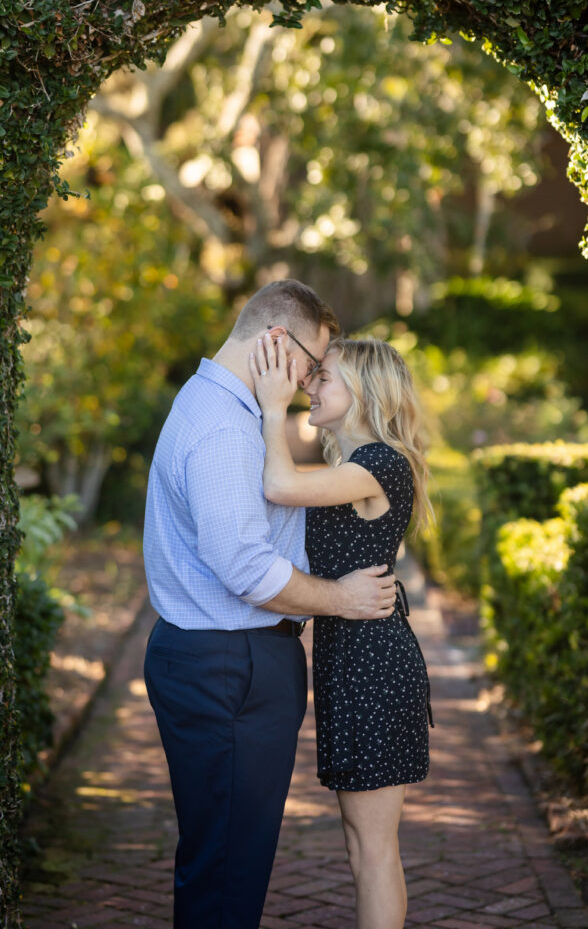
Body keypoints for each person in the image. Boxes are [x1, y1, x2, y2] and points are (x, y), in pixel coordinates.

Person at [142, 280, 399, 929]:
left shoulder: (214, 404)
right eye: (313, 366)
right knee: (228, 870)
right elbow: (246, 570)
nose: (313, 382)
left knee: (223, 860)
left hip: (223, 660)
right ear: (275, 344)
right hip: (232, 665)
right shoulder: (227, 430)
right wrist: (338, 598)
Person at [249, 333, 434, 929]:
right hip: (350, 657)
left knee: (374, 851)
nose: (310, 383)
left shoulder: (378, 462)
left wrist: (274, 407)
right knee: (360, 847)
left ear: (364, 392)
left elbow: (278, 485)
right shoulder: (349, 466)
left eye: (324, 376)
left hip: (373, 664)